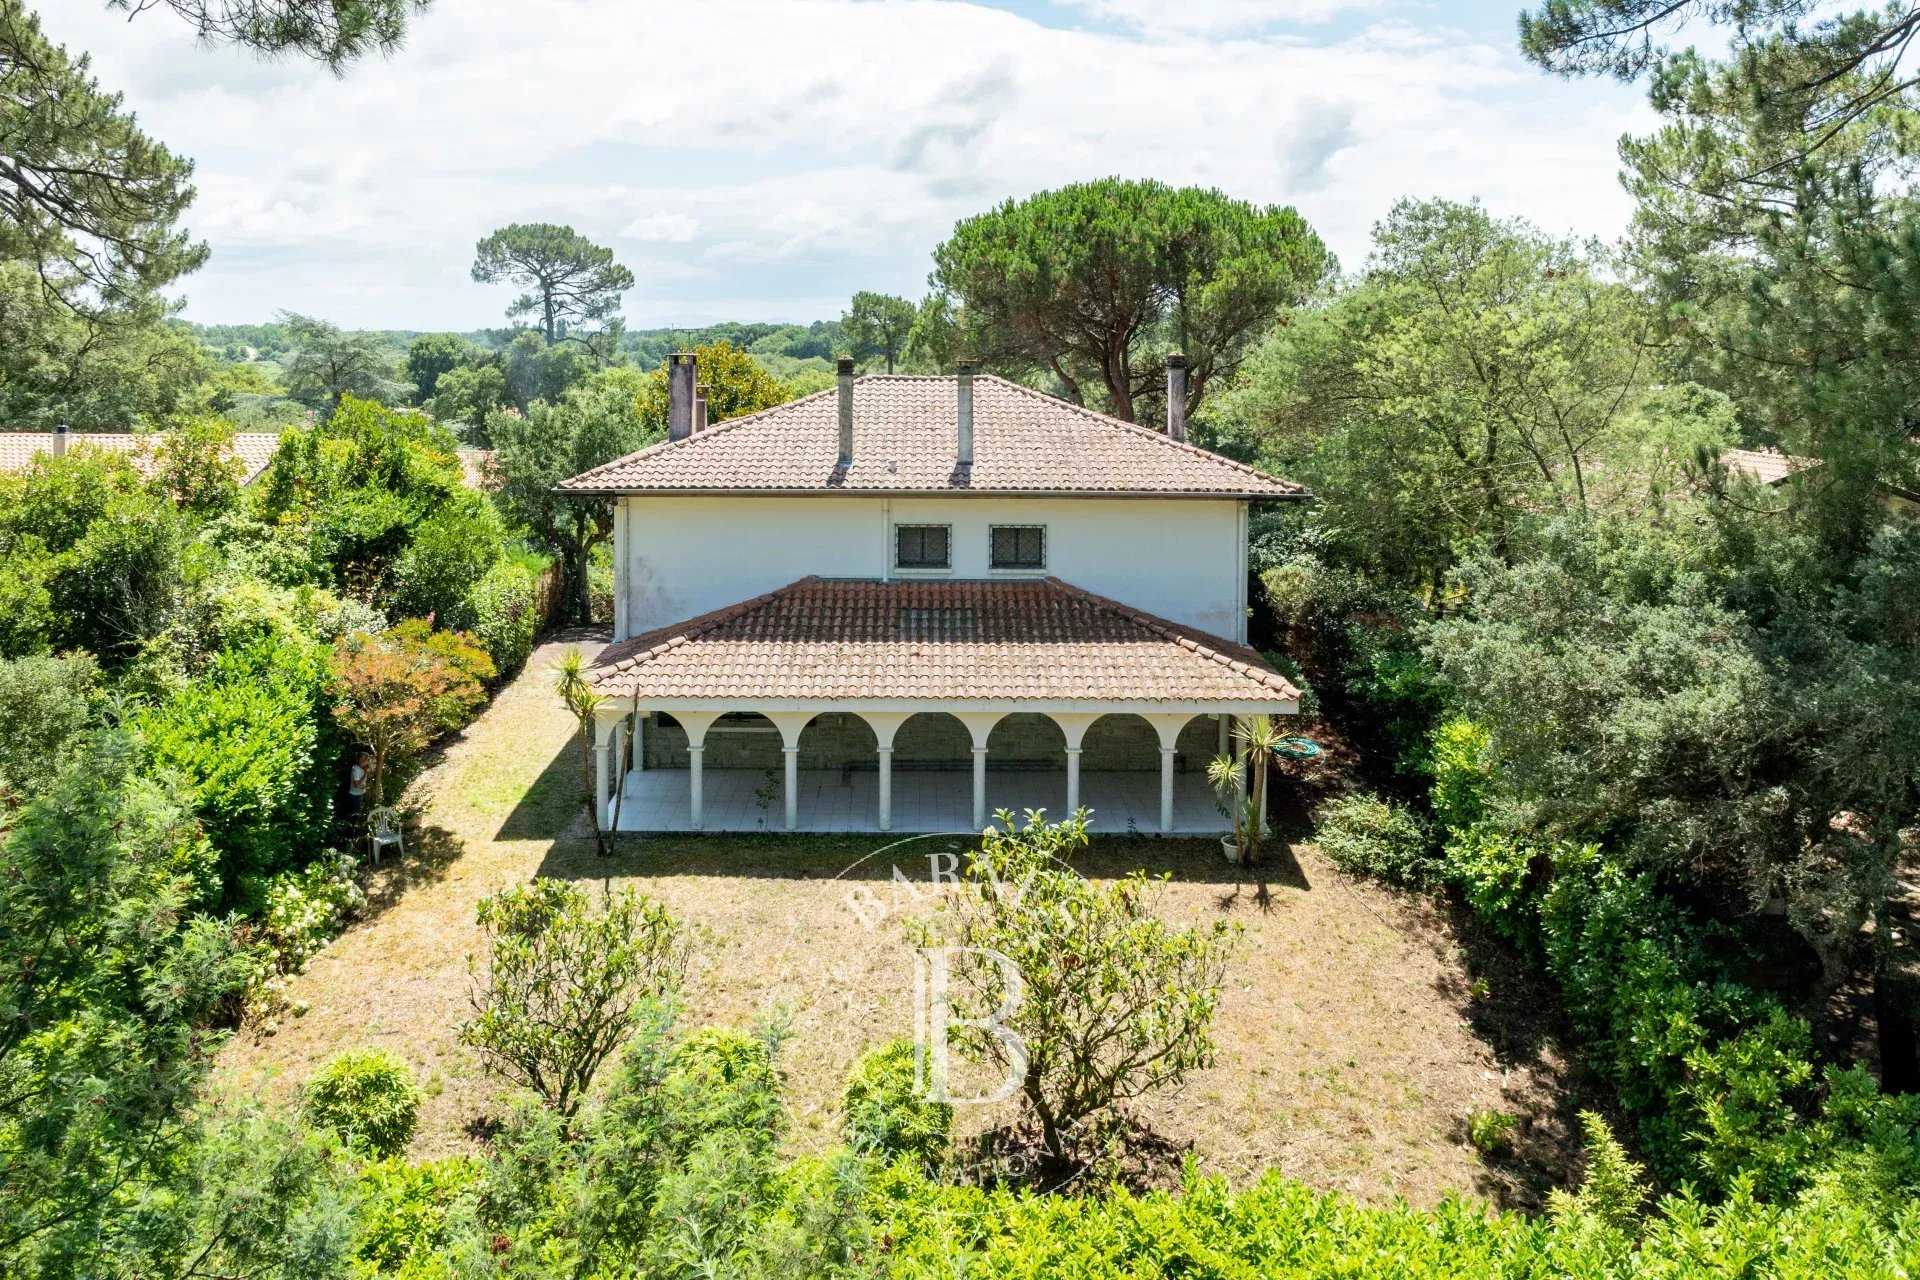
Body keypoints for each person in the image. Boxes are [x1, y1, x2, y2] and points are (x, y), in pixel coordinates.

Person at [346, 750, 371, 824]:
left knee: (358, 812)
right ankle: (352, 829)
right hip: (355, 795)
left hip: (360, 794)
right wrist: (365, 773)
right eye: (363, 759)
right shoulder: (355, 769)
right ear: (359, 759)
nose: (365, 761)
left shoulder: (363, 768)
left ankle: (355, 826)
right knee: (354, 814)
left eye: (366, 759)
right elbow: (357, 785)